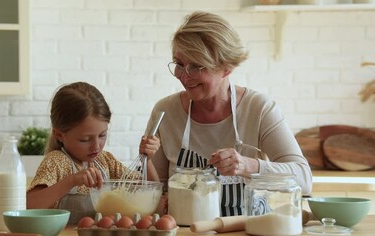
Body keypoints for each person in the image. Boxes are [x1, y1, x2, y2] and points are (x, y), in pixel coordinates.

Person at [144, 11, 313, 217]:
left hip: (247, 231)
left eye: (196, 66)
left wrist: (246, 165)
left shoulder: (259, 108)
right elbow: (154, 188)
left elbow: (304, 179)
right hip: (185, 232)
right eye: (179, 64)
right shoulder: (165, 112)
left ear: (226, 68)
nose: (184, 76)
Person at [27, 82, 160, 224]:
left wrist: (148, 160)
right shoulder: (56, 162)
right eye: (85, 139)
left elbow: (150, 193)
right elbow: (28, 205)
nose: (96, 146)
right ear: (59, 134)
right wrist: (71, 180)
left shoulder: (106, 161)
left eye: (102, 135)